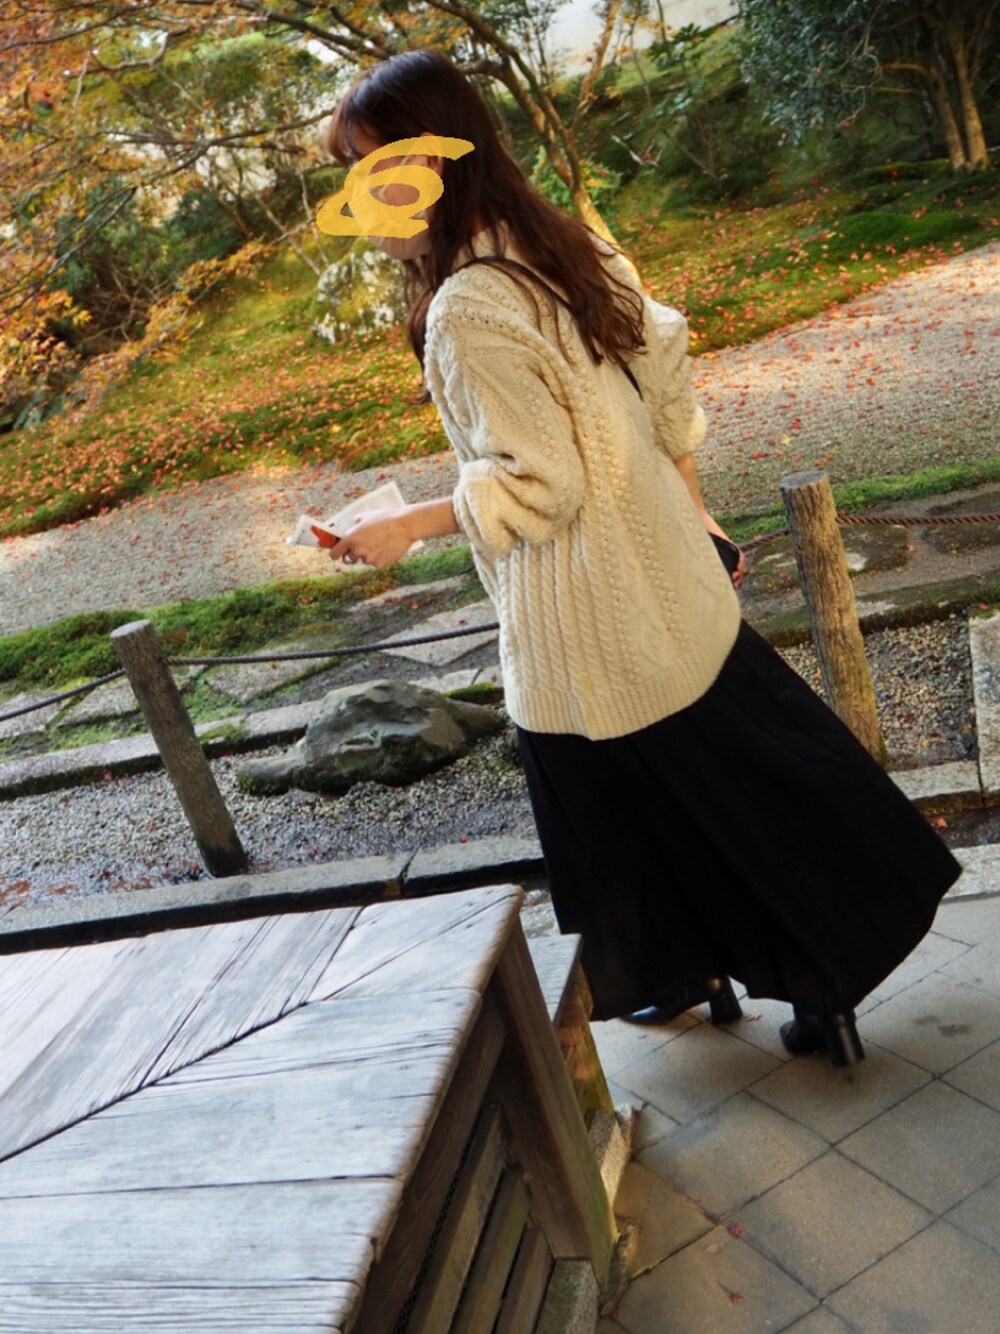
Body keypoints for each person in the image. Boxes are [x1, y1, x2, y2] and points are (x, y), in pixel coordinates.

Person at [319, 49, 962, 1068]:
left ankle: (694, 977)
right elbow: (663, 374)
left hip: (584, 631)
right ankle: (818, 984)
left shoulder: (466, 310)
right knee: (752, 792)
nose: (361, 199)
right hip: (670, 585)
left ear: (432, 164)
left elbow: (542, 484)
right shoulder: (565, 242)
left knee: (622, 832)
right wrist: (696, 515)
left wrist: (411, 526)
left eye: (369, 167)